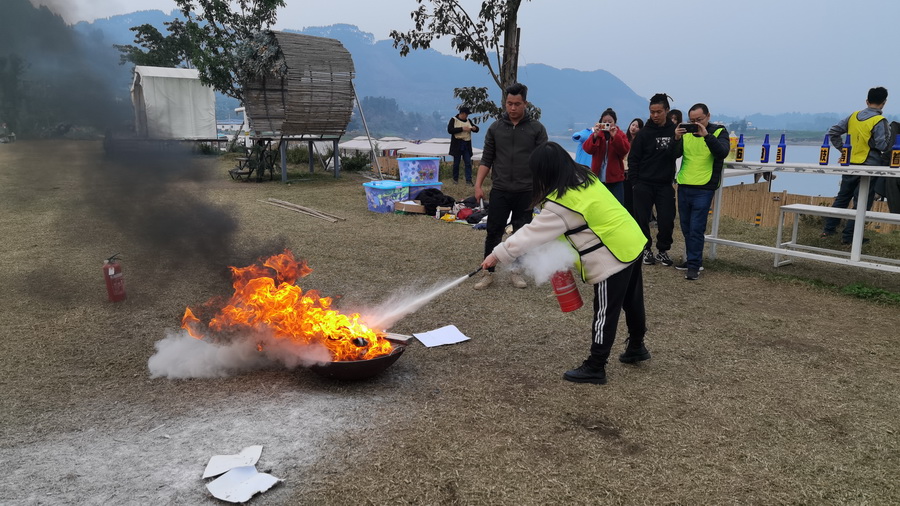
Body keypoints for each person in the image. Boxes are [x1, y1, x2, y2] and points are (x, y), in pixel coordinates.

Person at [480, 142, 649, 385]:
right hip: (630, 240)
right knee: (632, 301)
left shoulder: (561, 203)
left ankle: (596, 366)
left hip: (611, 254)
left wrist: (497, 254)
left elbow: (530, 233)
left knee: (605, 312)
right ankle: (636, 347)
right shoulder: (584, 177)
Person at [473, 83, 548, 290]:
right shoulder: (496, 128)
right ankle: (488, 273)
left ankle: (516, 271)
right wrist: (478, 185)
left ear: (525, 103)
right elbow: (486, 159)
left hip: (527, 191)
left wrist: (544, 188)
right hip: (500, 190)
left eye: (517, 104)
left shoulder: (536, 129)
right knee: (493, 231)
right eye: (509, 104)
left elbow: (545, 161)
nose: (512, 108)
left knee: (521, 233)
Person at [821, 86, 891, 244]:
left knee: (843, 197)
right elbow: (882, 145)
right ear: (884, 103)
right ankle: (849, 236)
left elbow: (833, 132)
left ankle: (828, 230)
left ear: (867, 101)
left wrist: (844, 151)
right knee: (862, 201)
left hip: (850, 163)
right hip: (869, 166)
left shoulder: (853, 116)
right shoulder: (880, 121)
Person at [671, 103, 730, 280]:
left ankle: (694, 266)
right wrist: (676, 138)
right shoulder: (686, 133)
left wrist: (707, 136)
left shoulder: (719, 132)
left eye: (699, 120)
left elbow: (722, 152)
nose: (696, 123)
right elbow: (673, 155)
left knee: (697, 228)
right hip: (684, 183)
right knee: (686, 227)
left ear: (708, 116)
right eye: (692, 120)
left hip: (704, 187)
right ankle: (691, 260)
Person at [627, 93, 679, 267]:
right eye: (652, 112)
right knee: (641, 219)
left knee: (666, 220)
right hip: (643, 184)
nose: (655, 115)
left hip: (664, 184)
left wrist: (677, 139)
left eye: (658, 112)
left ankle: (663, 250)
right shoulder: (644, 134)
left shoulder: (674, 131)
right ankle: (645, 249)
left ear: (666, 110)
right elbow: (633, 159)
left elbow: (677, 153)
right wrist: (635, 183)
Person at [582, 108, 630, 204]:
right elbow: (587, 149)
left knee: (617, 205)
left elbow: (624, 150)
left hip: (615, 179)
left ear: (615, 122)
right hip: (598, 177)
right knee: (599, 205)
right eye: (604, 122)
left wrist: (615, 137)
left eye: (610, 122)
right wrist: (595, 136)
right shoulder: (597, 134)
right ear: (600, 122)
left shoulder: (620, 134)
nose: (607, 124)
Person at [447, 106, 480, 184]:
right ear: (462, 113)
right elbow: (450, 130)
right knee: (456, 163)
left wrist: (475, 128)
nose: (467, 116)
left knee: (468, 162)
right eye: (466, 114)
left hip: (466, 144)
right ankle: (455, 179)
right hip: (457, 144)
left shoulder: (468, 121)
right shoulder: (453, 120)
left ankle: (468, 180)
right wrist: (462, 129)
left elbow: (476, 129)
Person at [623, 118, 643, 214]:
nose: (634, 128)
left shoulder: (640, 142)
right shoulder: (623, 139)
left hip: (634, 173)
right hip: (623, 172)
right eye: (633, 125)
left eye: (637, 126)